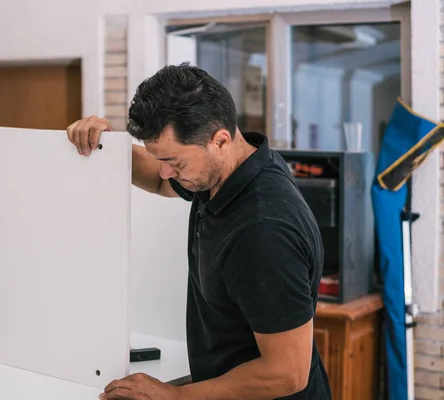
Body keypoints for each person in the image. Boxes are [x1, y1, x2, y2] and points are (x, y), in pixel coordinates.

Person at [66, 62, 332, 400]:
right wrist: (104, 148)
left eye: (175, 163)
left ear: (220, 140)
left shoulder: (263, 233)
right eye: (160, 159)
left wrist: (174, 396)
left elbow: (286, 373)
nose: (165, 173)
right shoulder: (230, 169)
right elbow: (157, 179)